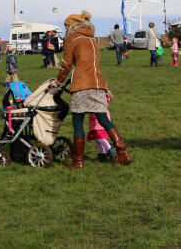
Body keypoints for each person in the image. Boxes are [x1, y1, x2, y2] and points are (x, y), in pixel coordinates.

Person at [50, 10, 131, 169]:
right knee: (104, 120)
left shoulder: (72, 39)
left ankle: (78, 161)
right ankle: (123, 153)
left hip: (82, 85)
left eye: (66, 26)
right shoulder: (93, 40)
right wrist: (105, 88)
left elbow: (66, 64)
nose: (65, 29)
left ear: (71, 26)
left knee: (78, 121)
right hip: (97, 84)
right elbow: (94, 65)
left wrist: (58, 81)